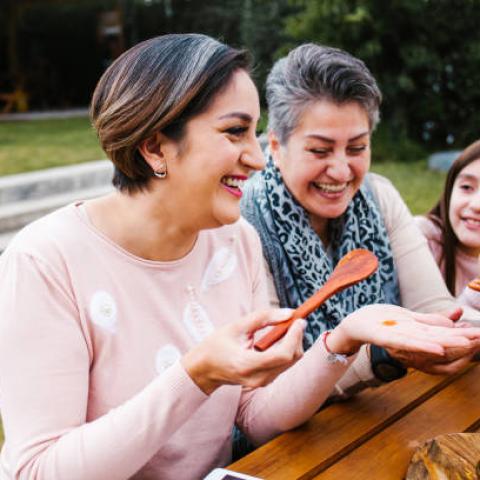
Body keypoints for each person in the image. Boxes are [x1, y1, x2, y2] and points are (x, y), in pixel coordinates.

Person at [1, 35, 479, 480]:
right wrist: (194, 375)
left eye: (254, 133)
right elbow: (36, 470)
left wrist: (342, 340)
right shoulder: (45, 262)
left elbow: (253, 415)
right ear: (154, 147)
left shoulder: (235, 241)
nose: (256, 157)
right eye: (235, 132)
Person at [241, 43, 480, 398]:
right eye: (320, 150)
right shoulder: (244, 220)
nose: (340, 171)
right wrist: (378, 357)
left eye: (356, 148)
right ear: (276, 146)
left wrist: (456, 336)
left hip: (382, 414)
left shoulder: (379, 196)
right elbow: (271, 380)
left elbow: (435, 310)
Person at [416, 140, 480, 308]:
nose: (476, 205)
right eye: (466, 187)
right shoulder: (420, 238)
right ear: (450, 190)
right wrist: (475, 296)